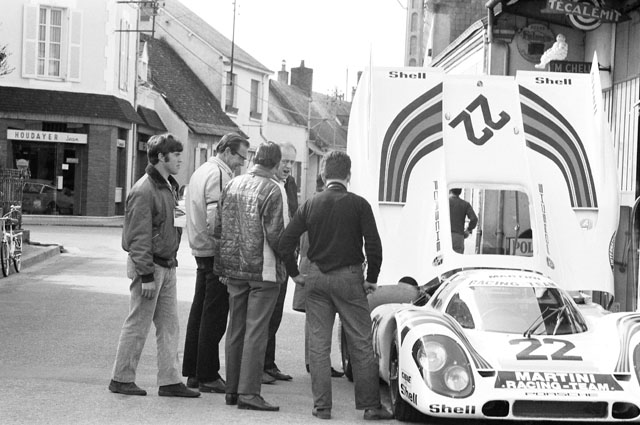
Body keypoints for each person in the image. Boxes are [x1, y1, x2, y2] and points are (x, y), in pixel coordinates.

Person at [278, 151, 393, 421]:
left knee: (318, 346)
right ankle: (370, 406)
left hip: (316, 279)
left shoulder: (310, 203)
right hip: (350, 278)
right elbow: (374, 246)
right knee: (361, 342)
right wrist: (372, 278)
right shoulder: (359, 205)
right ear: (348, 176)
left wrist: (295, 274)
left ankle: (322, 408)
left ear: (323, 175)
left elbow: (285, 242)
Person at [109, 133, 199, 398]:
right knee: (138, 323)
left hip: (167, 265)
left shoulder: (169, 186)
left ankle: (170, 381)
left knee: (170, 325)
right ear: (161, 157)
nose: (181, 159)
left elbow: (174, 224)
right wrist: (146, 275)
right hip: (151, 268)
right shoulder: (144, 190)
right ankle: (121, 378)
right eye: (176, 154)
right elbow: (138, 237)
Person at [213, 141, 287, 412]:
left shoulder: (232, 184)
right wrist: (289, 262)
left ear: (255, 158)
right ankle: (249, 393)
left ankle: (232, 389)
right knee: (256, 332)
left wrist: (221, 266)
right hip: (263, 270)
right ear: (276, 164)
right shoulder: (273, 189)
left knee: (236, 328)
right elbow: (278, 235)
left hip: (234, 268)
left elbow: (218, 227)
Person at [182, 133, 250, 393]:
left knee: (199, 312)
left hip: (200, 248)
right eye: (241, 157)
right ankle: (208, 374)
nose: (241, 164)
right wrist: (227, 250)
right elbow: (215, 220)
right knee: (215, 314)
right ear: (229, 152)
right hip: (214, 251)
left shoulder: (201, 170)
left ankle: (194, 371)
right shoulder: (220, 174)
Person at [293, 174, 344, 378]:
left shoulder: (309, 204)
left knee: (315, 319)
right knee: (320, 319)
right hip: (318, 266)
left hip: (307, 264)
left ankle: (313, 361)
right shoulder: (326, 206)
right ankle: (316, 362)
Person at [262, 142, 298, 384]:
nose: (287, 166)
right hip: (271, 258)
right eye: (284, 161)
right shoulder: (268, 186)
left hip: (286, 257)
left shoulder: (290, 185)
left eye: (291, 162)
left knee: (275, 315)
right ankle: (260, 366)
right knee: (265, 315)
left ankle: (269, 363)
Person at [449, 188, 478, 254]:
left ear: (450, 190)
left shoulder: (443, 203)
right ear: (460, 192)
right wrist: (468, 230)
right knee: (457, 262)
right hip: (458, 237)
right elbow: (474, 219)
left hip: (444, 236)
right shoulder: (465, 204)